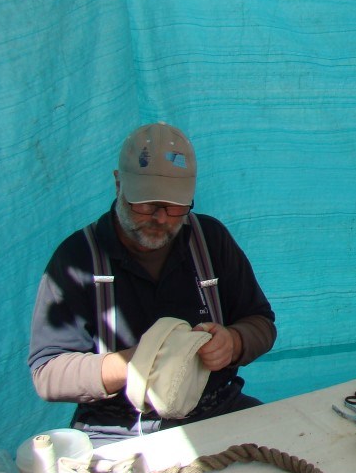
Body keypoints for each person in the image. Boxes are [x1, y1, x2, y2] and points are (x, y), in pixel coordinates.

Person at [28, 122, 277, 445]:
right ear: (119, 184)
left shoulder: (210, 240)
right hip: (117, 427)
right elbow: (47, 373)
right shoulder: (78, 259)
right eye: (146, 204)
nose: (160, 218)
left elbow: (262, 323)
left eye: (174, 207)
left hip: (215, 408)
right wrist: (137, 362)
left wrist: (234, 342)